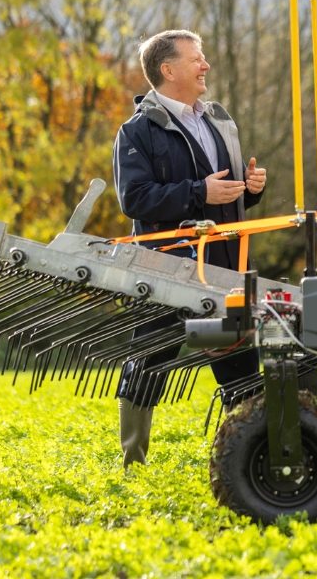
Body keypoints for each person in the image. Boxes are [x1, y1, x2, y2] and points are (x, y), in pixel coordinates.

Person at [112, 29, 267, 466]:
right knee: (149, 359)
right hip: (166, 268)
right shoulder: (137, 131)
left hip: (225, 263)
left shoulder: (219, 119)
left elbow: (227, 194)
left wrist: (249, 189)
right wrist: (199, 192)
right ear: (168, 70)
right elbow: (135, 199)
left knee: (238, 361)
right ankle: (132, 460)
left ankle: (247, 457)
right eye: (196, 59)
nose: (206, 66)